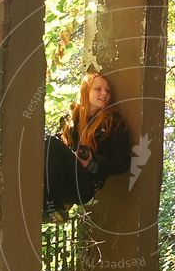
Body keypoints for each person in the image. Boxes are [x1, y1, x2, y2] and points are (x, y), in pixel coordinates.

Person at [43, 72, 131, 219]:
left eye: (107, 90)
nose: (104, 94)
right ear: (86, 91)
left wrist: (92, 164)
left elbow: (123, 163)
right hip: (65, 181)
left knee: (51, 143)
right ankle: (50, 207)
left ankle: (54, 208)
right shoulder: (68, 120)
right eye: (98, 89)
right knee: (47, 145)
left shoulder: (113, 122)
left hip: (85, 185)